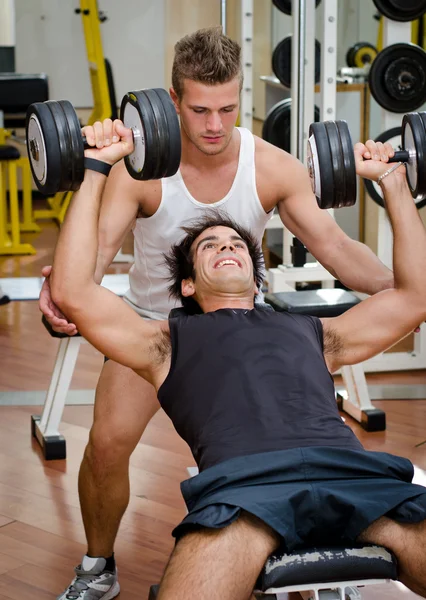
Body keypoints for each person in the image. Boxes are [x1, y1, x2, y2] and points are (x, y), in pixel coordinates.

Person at [43, 28, 398, 600]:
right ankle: (98, 566)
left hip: (235, 332)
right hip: (151, 328)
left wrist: (402, 291)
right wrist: (59, 289)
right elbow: (92, 257)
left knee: (282, 448)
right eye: (200, 109)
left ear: (242, 101)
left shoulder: (273, 167)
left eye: (228, 109)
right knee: (106, 445)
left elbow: (335, 249)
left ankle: (314, 553)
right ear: (173, 99)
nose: (214, 125)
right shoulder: (143, 169)